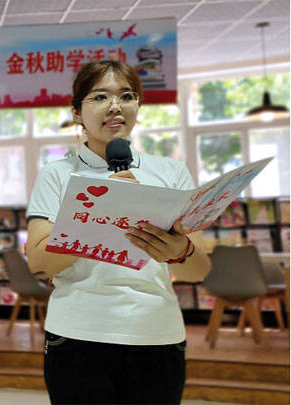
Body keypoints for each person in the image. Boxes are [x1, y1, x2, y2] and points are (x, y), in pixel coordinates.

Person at [26, 60, 211, 404]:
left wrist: (179, 250)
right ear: (77, 112)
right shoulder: (57, 174)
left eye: (126, 96)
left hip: (157, 334)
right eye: (99, 97)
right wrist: (103, 212)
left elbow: (198, 270)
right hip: (77, 334)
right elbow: (39, 263)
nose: (115, 106)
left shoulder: (171, 172)